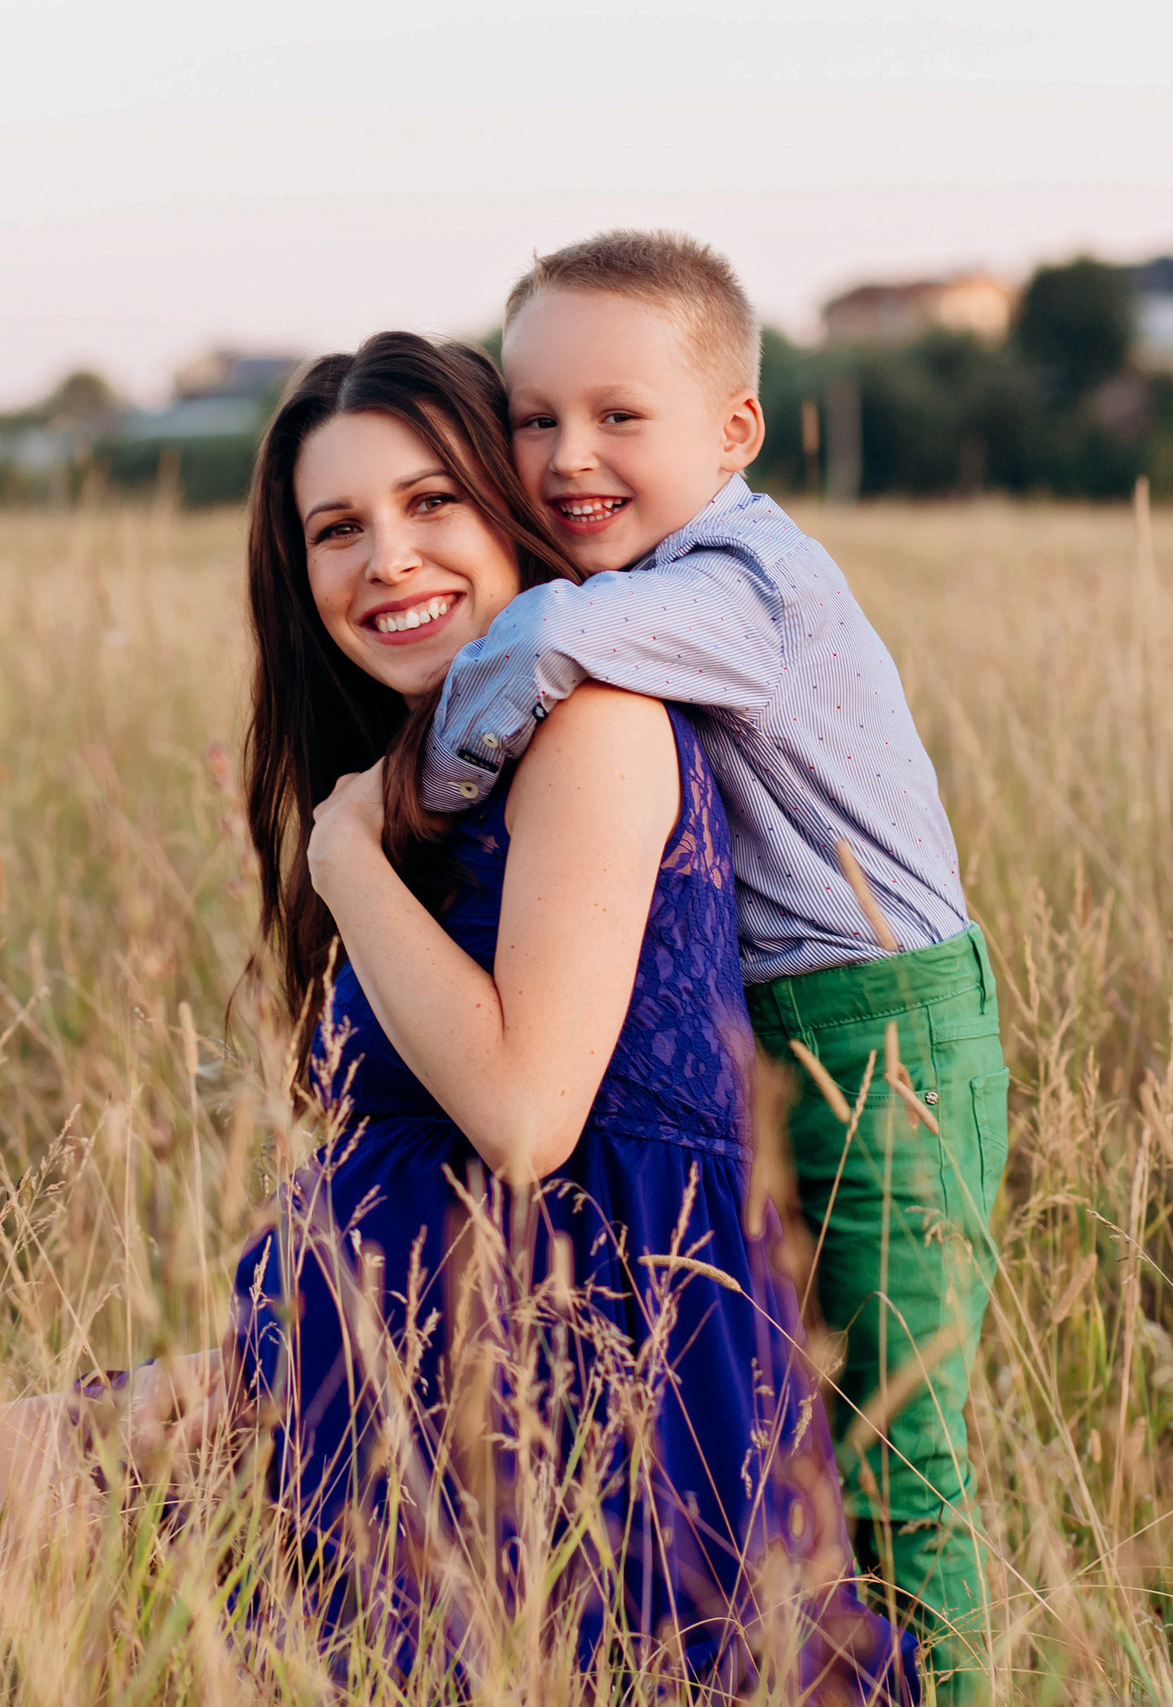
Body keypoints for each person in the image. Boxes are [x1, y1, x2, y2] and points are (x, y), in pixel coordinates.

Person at [0, 331, 918, 1701]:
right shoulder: (430, 763)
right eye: (338, 529)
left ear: (510, 509)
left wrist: (346, 863)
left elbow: (527, 1115)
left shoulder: (593, 727)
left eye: (431, 503)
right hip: (366, 1359)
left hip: (574, 1392)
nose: (387, 559)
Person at [417, 232, 1010, 1702]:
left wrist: (419, 791)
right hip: (782, 1029)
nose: (568, 456)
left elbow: (552, 643)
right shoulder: (676, 568)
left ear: (735, 429)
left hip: (880, 1032)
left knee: (893, 1441)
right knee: (790, 1410)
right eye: (533, 418)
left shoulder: (744, 583)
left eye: (620, 415)